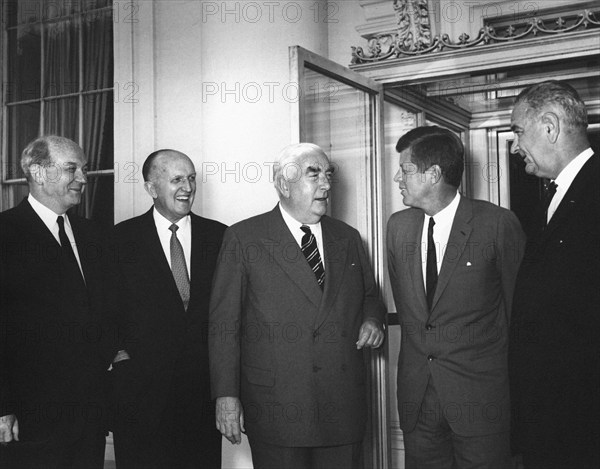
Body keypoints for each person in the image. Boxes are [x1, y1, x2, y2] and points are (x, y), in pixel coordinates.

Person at [208, 143, 386, 469]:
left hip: (341, 405)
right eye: (313, 174)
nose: (327, 185)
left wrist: (372, 320)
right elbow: (224, 325)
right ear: (284, 184)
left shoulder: (347, 238)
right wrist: (226, 397)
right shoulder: (245, 239)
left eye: (328, 175)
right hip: (277, 407)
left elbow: (369, 297)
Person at [386, 126, 525, 469]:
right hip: (419, 401)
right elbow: (409, 311)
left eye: (405, 170)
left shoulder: (497, 225)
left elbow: (520, 318)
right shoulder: (397, 227)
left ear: (433, 175)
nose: (396, 178)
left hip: (480, 402)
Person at [0, 136, 121, 468]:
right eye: (72, 169)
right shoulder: (6, 233)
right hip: (31, 416)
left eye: (84, 169)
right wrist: (3, 406)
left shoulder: (93, 235)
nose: (83, 178)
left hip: (90, 415)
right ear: (39, 173)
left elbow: (105, 309)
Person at [111, 149, 226, 469]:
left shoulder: (220, 236)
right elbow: (105, 306)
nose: (187, 187)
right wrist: (117, 352)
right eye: (177, 179)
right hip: (140, 394)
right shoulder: (119, 239)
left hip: (202, 393)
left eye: (191, 178)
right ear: (151, 188)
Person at [508, 80, 600, 468]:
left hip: (581, 422)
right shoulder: (556, 193)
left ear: (549, 126)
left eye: (517, 131)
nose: (514, 147)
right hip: (557, 418)